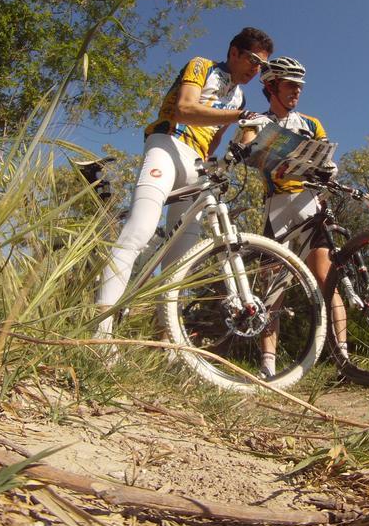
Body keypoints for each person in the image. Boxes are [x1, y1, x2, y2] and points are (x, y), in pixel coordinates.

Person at [96, 27, 274, 335]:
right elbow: (185, 108)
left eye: (263, 67)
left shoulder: (240, 94)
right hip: (168, 144)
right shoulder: (202, 65)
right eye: (253, 61)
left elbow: (216, 140)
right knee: (140, 229)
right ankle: (100, 329)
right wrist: (238, 117)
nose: (257, 71)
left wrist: (247, 143)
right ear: (234, 52)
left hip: (196, 163)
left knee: (181, 263)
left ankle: (164, 341)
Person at [239, 56, 347, 377]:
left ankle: (344, 358)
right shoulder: (257, 119)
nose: (296, 92)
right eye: (290, 86)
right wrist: (259, 150)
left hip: (310, 202)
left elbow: (327, 156)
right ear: (271, 86)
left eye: (299, 87)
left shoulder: (311, 123)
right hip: (277, 205)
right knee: (272, 289)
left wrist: (328, 168)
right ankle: (267, 366)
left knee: (327, 282)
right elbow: (247, 150)